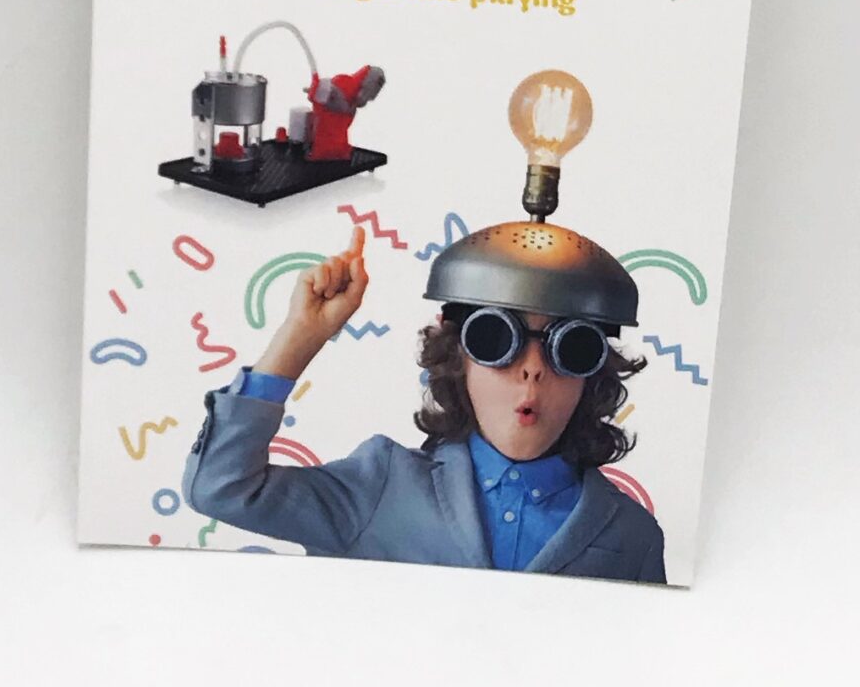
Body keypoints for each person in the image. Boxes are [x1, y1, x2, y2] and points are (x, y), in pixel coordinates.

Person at [183, 221, 665, 582]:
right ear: (459, 358)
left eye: (572, 350)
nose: (533, 369)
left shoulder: (631, 535)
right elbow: (221, 487)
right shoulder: (382, 486)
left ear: (594, 374)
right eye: (496, 339)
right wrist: (300, 336)